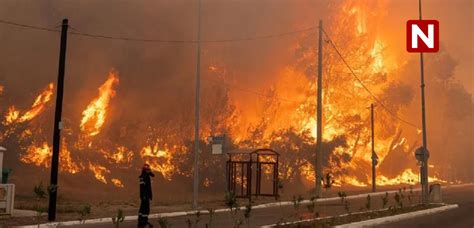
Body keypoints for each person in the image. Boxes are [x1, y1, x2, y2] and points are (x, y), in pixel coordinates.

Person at [138, 164, 155, 228]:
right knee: (145, 209)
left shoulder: (146, 176)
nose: (149, 171)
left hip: (145, 196)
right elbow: (143, 188)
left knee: (143, 208)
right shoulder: (143, 177)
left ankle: (141, 221)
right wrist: (145, 196)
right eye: (147, 170)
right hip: (145, 196)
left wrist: (150, 172)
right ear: (145, 170)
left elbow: (153, 175)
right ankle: (143, 222)